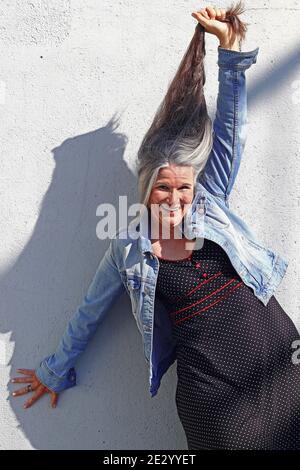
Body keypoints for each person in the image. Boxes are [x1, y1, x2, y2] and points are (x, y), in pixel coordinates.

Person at [10, 2, 300, 450]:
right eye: (165, 188)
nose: (177, 200)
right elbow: (89, 313)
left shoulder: (211, 201)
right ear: (147, 185)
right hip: (213, 393)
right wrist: (53, 371)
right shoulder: (127, 248)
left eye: (184, 189)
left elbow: (231, 132)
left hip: (279, 358)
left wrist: (230, 52)